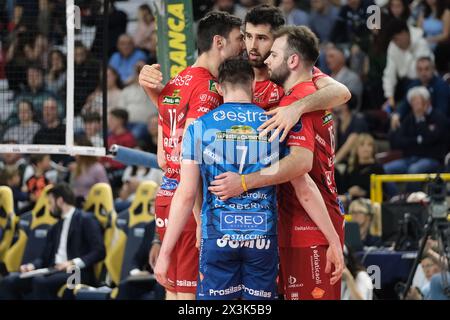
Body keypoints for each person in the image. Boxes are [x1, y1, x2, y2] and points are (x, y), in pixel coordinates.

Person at [155, 57, 342, 300]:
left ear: (220, 89)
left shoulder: (198, 127)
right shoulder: (274, 123)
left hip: (218, 237)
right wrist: (333, 239)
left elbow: (187, 193)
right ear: (253, 85)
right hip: (262, 240)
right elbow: (303, 186)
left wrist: (165, 252)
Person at [209, 26, 345, 300]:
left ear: (292, 61)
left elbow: (301, 168)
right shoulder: (311, 95)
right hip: (314, 223)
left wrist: (245, 181)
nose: (267, 61)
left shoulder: (296, 101)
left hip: (308, 229)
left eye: (273, 55)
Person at [141, 11, 244, 300]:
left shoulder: (178, 80)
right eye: (238, 40)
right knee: (189, 298)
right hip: (188, 206)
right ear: (219, 42)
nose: (243, 47)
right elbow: (193, 154)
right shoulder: (210, 89)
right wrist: (201, 218)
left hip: (166, 197)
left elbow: (164, 158)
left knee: (173, 293)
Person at [0, 183, 105, 300]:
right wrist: (32, 265)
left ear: (60, 201)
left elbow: (99, 251)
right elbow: (44, 258)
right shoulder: (55, 227)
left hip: (77, 273)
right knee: (8, 281)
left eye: (50, 203)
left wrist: (72, 263)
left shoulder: (86, 219)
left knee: (39, 282)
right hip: (52, 270)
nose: (49, 208)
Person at [384, 86, 447, 177]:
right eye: (413, 102)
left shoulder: (438, 117)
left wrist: (421, 120)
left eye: (418, 102)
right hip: (410, 158)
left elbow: (430, 139)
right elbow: (398, 141)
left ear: (427, 102)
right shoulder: (409, 119)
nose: (415, 105)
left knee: (413, 170)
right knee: (386, 169)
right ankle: (393, 192)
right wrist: (417, 140)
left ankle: (412, 192)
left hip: (432, 159)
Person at [382, 19, 433, 110]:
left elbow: (421, 71)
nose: (395, 43)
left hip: (423, 83)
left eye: (396, 39)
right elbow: (389, 73)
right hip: (403, 83)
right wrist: (390, 97)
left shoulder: (421, 42)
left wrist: (407, 53)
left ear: (404, 33)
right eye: (393, 40)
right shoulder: (393, 46)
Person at [338, 133, 385, 203]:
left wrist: (363, 193)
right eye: (362, 145)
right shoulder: (350, 168)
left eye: (369, 145)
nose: (366, 148)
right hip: (350, 202)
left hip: (370, 203)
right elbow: (342, 189)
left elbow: (383, 194)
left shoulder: (378, 168)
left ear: (373, 149)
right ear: (356, 149)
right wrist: (349, 194)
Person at [69, 136, 109, 207]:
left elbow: (105, 191)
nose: (73, 154)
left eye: (75, 151)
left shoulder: (98, 168)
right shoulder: (77, 167)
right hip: (76, 203)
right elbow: (72, 187)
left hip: (92, 204)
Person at [333, 94, 369, 164]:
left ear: (345, 105)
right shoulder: (338, 122)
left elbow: (347, 147)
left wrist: (332, 164)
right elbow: (334, 147)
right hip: (342, 161)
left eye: (337, 100)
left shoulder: (358, 121)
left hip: (357, 161)